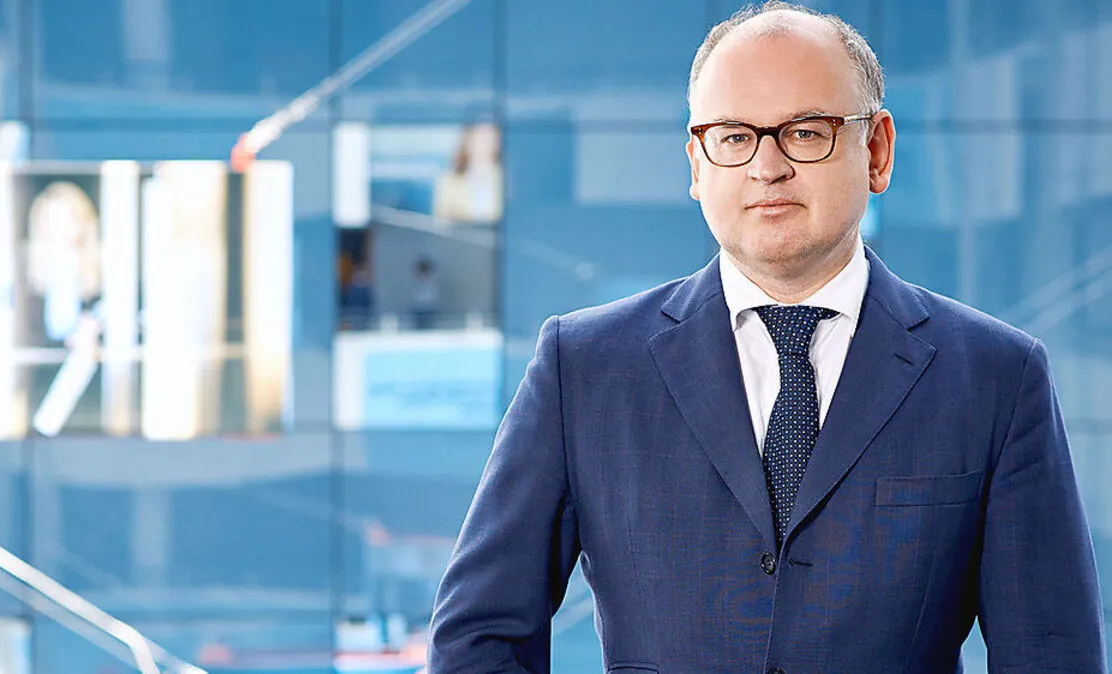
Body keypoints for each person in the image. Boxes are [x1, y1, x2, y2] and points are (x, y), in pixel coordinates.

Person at [427, 2, 1106, 673]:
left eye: (805, 133)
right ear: (697, 165)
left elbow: (1053, 656)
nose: (767, 166)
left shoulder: (995, 376)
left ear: (876, 150)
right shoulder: (584, 368)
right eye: (733, 137)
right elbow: (476, 643)